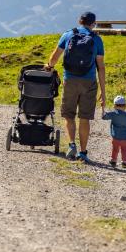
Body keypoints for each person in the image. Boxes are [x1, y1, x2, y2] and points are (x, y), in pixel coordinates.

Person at [44, 11, 105, 163]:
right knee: (84, 118)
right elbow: (101, 67)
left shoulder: (68, 35)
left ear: (79, 21)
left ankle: (72, 145)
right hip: (89, 82)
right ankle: (83, 153)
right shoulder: (97, 39)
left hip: (70, 80)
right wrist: (103, 92)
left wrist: (49, 66)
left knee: (69, 115)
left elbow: (55, 57)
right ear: (93, 24)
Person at [102, 95, 126, 168]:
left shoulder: (113, 114)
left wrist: (103, 108)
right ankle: (124, 162)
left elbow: (104, 117)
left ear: (114, 106)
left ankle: (113, 160)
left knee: (115, 149)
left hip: (116, 137)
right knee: (125, 150)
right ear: (125, 106)